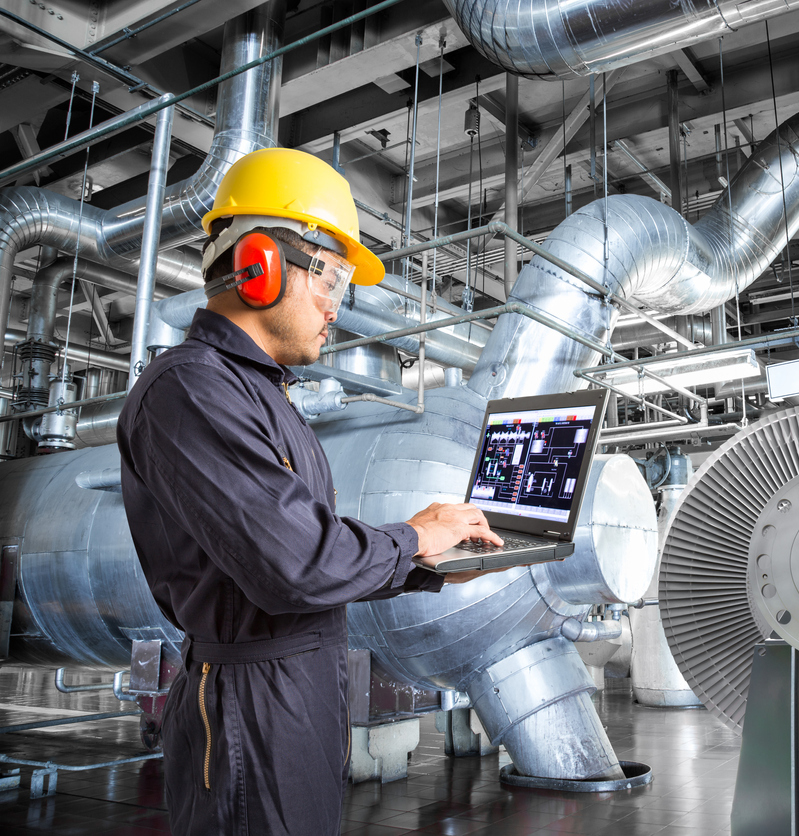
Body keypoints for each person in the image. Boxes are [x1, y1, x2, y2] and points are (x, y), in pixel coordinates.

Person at [117, 147, 502, 835]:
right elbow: (293, 564)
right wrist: (411, 538)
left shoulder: (262, 396)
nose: (338, 307)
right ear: (258, 265)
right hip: (249, 716)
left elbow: (300, 547)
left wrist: (420, 556)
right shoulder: (192, 390)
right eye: (330, 278)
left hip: (295, 698)